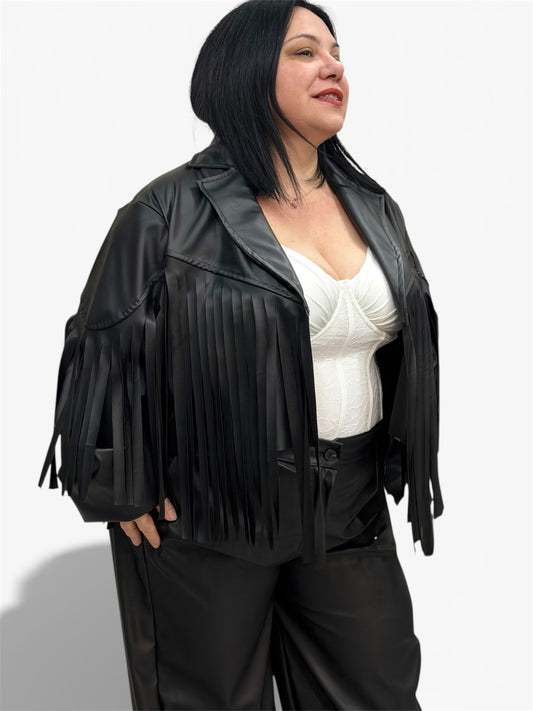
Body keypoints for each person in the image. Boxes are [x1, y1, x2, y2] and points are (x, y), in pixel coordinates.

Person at [40, 0, 444, 708]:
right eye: (304, 52)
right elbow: (103, 343)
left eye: (337, 53)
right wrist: (117, 483)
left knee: (377, 690)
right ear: (246, 72)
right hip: (207, 510)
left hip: (348, 505)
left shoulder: (372, 205)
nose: (333, 67)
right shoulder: (166, 209)